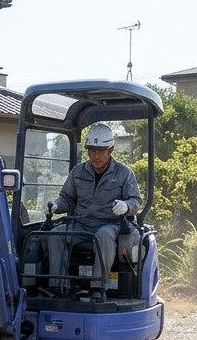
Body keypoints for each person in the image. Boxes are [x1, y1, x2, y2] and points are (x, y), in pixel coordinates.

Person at [46, 123, 141, 297]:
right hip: (81, 224)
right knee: (55, 234)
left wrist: (126, 206)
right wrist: (56, 206)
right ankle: (58, 287)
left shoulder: (124, 173)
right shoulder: (78, 172)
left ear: (110, 150)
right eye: (92, 150)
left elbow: (136, 201)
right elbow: (66, 198)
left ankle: (98, 288)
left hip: (110, 224)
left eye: (101, 151)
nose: (96, 155)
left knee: (103, 235)